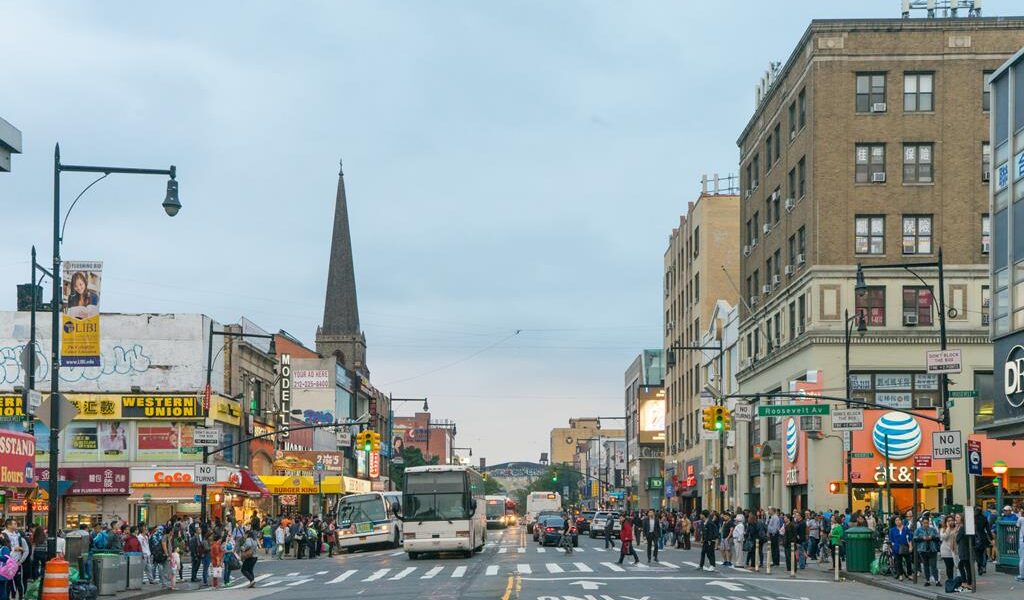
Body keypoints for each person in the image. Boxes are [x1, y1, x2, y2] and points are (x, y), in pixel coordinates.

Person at [914, 515, 940, 586]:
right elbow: (915, 539)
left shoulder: (933, 529)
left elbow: (938, 538)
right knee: (926, 566)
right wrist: (922, 538)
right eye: (924, 523)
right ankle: (927, 580)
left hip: (932, 550)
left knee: (933, 566)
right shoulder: (918, 530)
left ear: (929, 523)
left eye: (927, 523)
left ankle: (937, 580)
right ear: (922, 523)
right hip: (923, 550)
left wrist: (932, 537)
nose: (926, 524)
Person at [889, 516, 912, 581]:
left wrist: (910, 546)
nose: (898, 521)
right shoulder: (892, 530)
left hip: (905, 546)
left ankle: (909, 574)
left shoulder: (906, 529)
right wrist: (893, 547)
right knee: (898, 562)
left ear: (901, 521)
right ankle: (900, 575)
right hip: (896, 548)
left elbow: (909, 538)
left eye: (899, 520)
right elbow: (892, 540)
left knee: (908, 561)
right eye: (896, 520)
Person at [940, 515, 958, 583]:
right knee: (949, 567)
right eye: (949, 521)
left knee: (957, 566)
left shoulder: (956, 528)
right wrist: (948, 528)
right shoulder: (943, 529)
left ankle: (957, 580)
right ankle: (950, 580)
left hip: (954, 550)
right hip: (946, 551)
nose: (951, 522)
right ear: (946, 522)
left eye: (952, 520)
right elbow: (944, 537)